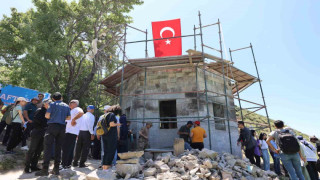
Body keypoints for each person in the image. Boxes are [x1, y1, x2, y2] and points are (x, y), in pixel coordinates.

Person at [35, 92, 71, 176]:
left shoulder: (52, 104)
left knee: (47, 147)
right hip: (62, 128)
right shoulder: (66, 106)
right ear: (61, 98)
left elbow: (47, 116)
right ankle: (56, 169)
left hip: (52, 127)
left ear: (53, 98)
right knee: (58, 148)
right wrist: (61, 118)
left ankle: (45, 170)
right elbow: (69, 118)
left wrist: (53, 116)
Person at [24, 99, 51, 173]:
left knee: (39, 150)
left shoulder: (49, 112)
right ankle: (27, 167)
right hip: (37, 132)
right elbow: (37, 121)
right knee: (32, 149)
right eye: (49, 103)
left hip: (44, 133)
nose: (50, 104)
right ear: (44, 104)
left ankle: (34, 166)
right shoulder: (39, 110)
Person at [61, 99, 84, 169]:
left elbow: (81, 113)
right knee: (70, 149)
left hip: (71, 132)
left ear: (76, 104)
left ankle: (63, 164)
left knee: (66, 148)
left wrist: (74, 119)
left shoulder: (77, 109)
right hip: (70, 132)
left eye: (72, 102)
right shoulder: (71, 111)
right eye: (70, 102)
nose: (70, 103)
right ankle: (67, 164)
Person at [101, 105, 121, 170]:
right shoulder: (112, 115)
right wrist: (118, 124)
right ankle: (107, 167)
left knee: (106, 151)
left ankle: (104, 167)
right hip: (111, 136)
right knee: (111, 151)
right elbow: (111, 124)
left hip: (105, 135)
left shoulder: (106, 115)